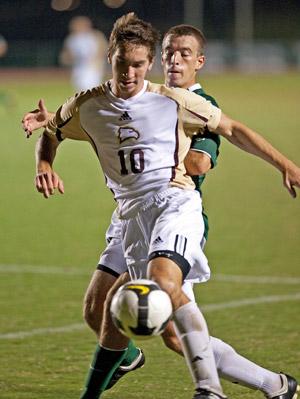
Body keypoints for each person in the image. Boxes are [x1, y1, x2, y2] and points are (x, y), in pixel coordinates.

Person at [21, 13, 300, 399]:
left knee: (164, 298)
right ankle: (270, 384)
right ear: (110, 58)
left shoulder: (186, 103)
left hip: (174, 206)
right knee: (101, 310)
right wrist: (45, 159)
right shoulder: (88, 103)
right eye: (125, 63)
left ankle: (213, 389)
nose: (133, 72)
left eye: (181, 54)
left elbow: (225, 136)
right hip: (129, 216)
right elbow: (62, 130)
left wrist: (285, 164)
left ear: (151, 64)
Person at [60, 16, 108, 91]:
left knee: (90, 88)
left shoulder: (95, 36)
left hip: (92, 67)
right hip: (78, 67)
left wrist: (97, 62)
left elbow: (103, 49)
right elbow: (67, 55)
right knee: (80, 88)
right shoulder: (71, 39)